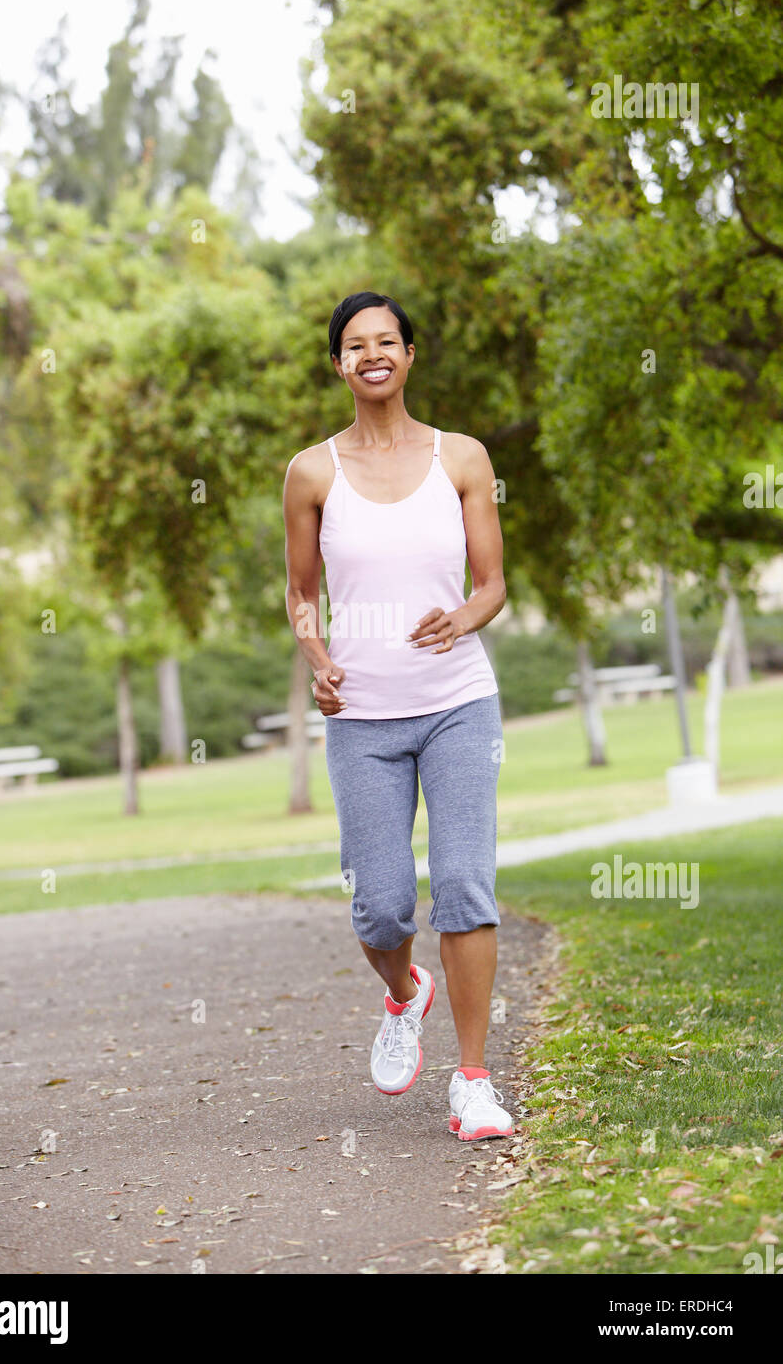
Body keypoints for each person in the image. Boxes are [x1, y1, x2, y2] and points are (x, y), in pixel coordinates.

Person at [282, 291, 514, 1140]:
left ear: (410, 355)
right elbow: (301, 595)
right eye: (355, 345)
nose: (372, 354)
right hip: (363, 718)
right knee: (381, 909)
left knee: (463, 886)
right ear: (338, 365)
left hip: (458, 705)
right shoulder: (312, 471)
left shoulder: (462, 458)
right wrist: (317, 659)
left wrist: (464, 616)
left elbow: (491, 583)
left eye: (388, 341)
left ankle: (475, 1082)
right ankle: (403, 991)